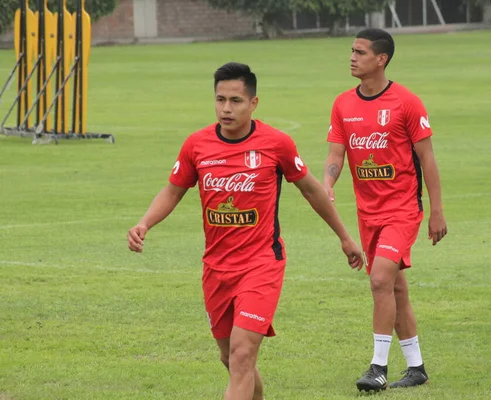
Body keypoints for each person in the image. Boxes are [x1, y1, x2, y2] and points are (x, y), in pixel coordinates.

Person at [128, 62, 364, 400]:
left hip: (261, 264)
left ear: (253, 103)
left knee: (241, 354)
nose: (226, 108)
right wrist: (144, 223)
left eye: (235, 100)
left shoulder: (276, 144)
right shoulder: (196, 145)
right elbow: (173, 190)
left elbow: (312, 190)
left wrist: (345, 237)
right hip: (216, 268)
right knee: (233, 360)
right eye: (220, 99)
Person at [322, 29, 448, 392]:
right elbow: (336, 154)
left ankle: (377, 367)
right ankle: (416, 367)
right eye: (352, 50)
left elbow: (427, 158)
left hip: (402, 209)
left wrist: (436, 211)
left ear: (381, 59)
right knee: (395, 288)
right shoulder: (343, 103)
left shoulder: (406, 102)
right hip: (368, 213)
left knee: (379, 280)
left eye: (360, 52)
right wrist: (327, 184)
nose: (352, 57)